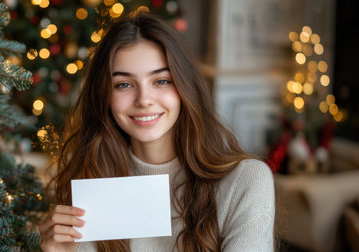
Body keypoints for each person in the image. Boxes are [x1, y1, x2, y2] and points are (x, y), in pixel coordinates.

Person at [39, 12, 275, 252]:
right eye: (124, 84)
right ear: (104, 97)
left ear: (185, 86)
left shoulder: (245, 180)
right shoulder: (91, 187)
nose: (144, 100)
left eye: (161, 80)